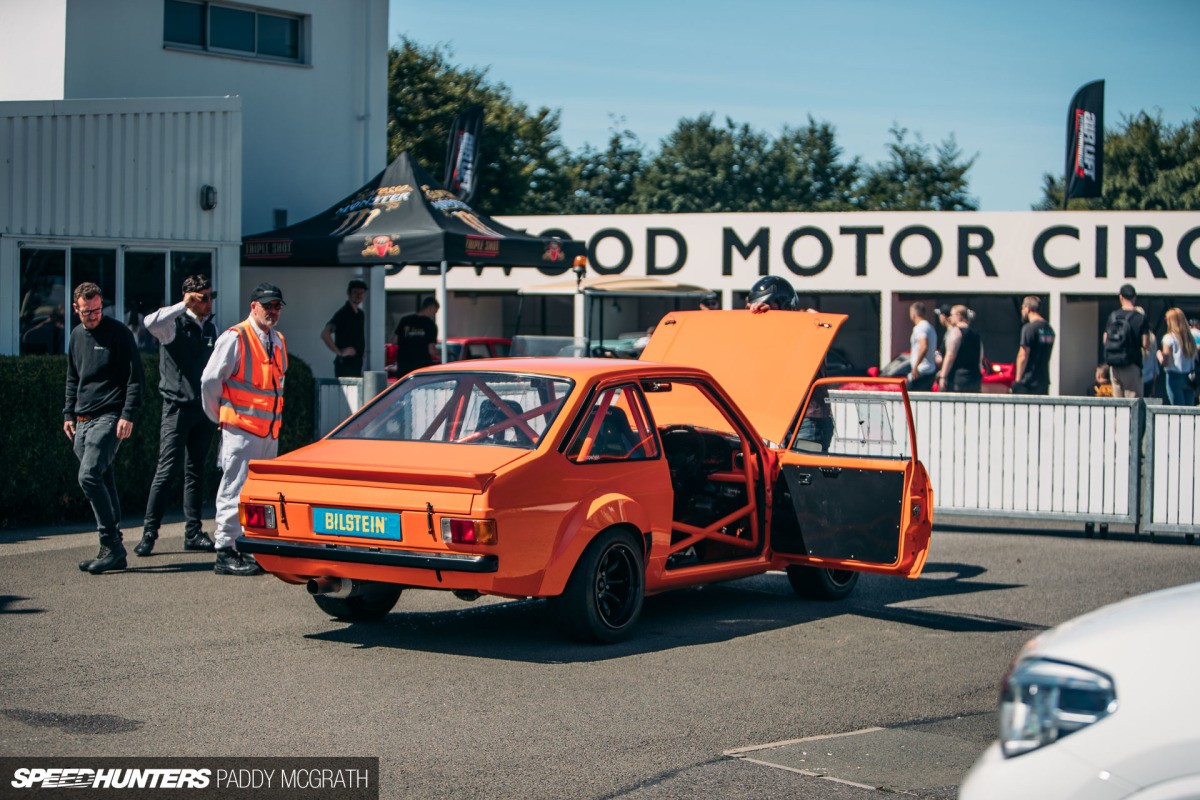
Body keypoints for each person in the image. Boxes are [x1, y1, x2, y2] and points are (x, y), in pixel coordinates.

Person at [200, 282, 288, 576]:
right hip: (241, 429)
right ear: (253, 307)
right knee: (234, 489)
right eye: (267, 306)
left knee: (259, 493)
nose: (273, 311)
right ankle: (225, 550)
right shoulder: (236, 337)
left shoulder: (277, 340)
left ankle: (249, 546)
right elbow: (210, 381)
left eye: (277, 306)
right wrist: (220, 416)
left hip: (268, 431)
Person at [133, 275, 219, 557]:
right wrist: (183, 305)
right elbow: (150, 322)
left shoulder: (211, 328)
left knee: (196, 471)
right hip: (177, 408)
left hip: (203, 410)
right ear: (190, 298)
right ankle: (149, 533)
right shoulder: (172, 325)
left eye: (211, 296)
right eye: (203, 298)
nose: (209, 302)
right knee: (166, 471)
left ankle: (193, 532)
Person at [63, 282, 144, 575]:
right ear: (76, 308)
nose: (93, 315)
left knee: (88, 476)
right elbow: (73, 377)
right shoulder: (76, 335)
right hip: (82, 420)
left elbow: (135, 378)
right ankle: (112, 549)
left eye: (97, 309)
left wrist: (127, 415)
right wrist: (68, 413)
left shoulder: (119, 333)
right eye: (87, 311)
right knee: (102, 477)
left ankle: (111, 545)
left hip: (109, 416)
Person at [1102, 284, 1149, 398]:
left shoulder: (1113, 316)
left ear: (1121, 297)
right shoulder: (1140, 318)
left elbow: (1105, 340)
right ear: (1134, 297)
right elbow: (1145, 343)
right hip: (1132, 364)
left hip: (1114, 366)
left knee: (1118, 403)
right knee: (1133, 402)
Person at [321, 278, 368, 378]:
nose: (358, 295)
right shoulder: (343, 314)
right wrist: (339, 352)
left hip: (357, 363)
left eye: (361, 293)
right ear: (349, 294)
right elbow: (325, 334)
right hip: (345, 365)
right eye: (355, 292)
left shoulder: (360, 314)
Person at [1011, 296, 1056, 395]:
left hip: (1028, 382)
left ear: (1027, 309)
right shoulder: (1049, 329)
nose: (1022, 311)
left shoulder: (1029, 329)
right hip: (1043, 382)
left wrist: (1017, 381)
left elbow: (1023, 355)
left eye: (1022, 308)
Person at [937, 305, 983, 392]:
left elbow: (950, 355)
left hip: (957, 379)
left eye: (952, 315)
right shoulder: (976, 335)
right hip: (975, 379)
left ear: (959, 316)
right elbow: (980, 359)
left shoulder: (956, 332)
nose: (950, 318)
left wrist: (943, 376)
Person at [391, 296, 439, 377]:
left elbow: (394, 341)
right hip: (421, 369)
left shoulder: (405, 320)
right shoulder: (430, 324)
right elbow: (431, 350)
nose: (434, 315)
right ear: (431, 307)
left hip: (404, 367)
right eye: (435, 312)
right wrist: (446, 352)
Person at [1158, 307, 1197, 406]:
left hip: (1174, 375)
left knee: (1177, 408)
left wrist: (1158, 354)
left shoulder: (1169, 338)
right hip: (1190, 377)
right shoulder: (1190, 338)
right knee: (1189, 409)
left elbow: (1165, 362)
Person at [906, 303, 938, 391]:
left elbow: (924, 346)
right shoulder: (930, 327)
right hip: (930, 370)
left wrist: (915, 367)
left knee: (909, 396)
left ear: (913, 314)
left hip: (921, 370)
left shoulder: (920, 328)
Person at [1139, 306, 1160, 400]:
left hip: (1136, 378)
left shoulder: (1132, 335)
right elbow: (1154, 364)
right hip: (1149, 378)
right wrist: (1154, 384)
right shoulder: (1152, 337)